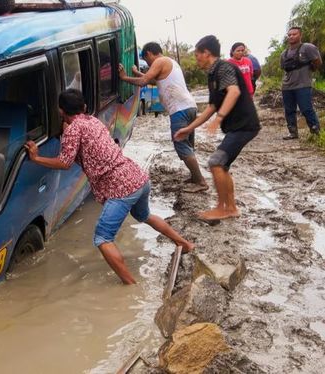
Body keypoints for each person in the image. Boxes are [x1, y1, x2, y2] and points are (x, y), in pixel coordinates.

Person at [24, 89, 195, 285]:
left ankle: (130, 285)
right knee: (144, 216)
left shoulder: (73, 130)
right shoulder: (93, 121)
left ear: (61, 111)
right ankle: (185, 244)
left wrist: (36, 157)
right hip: (137, 177)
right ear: (85, 107)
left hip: (122, 188)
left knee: (102, 238)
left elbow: (65, 162)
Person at [174, 35, 261, 221]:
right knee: (222, 165)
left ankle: (224, 208)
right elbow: (212, 107)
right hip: (237, 127)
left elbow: (234, 91)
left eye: (197, 56)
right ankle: (231, 208)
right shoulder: (213, 74)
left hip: (244, 125)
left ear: (207, 53)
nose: (197, 60)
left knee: (215, 162)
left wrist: (219, 118)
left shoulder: (224, 67)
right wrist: (189, 128)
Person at [119, 42, 208, 192]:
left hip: (179, 110)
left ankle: (200, 182)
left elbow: (143, 82)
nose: (147, 63)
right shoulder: (169, 62)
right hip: (188, 106)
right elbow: (154, 80)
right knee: (187, 145)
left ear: (149, 54)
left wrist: (124, 77)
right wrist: (138, 73)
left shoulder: (160, 61)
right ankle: (195, 177)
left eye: (146, 59)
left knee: (181, 145)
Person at [280, 26, 322, 139]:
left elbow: (317, 61)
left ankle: (316, 132)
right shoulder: (284, 53)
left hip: (303, 84)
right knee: (289, 110)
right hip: (287, 86)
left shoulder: (307, 47)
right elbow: (283, 68)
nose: (291, 36)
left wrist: (311, 70)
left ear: (300, 35)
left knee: (306, 108)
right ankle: (293, 132)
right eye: (289, 35)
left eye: (294, 34)